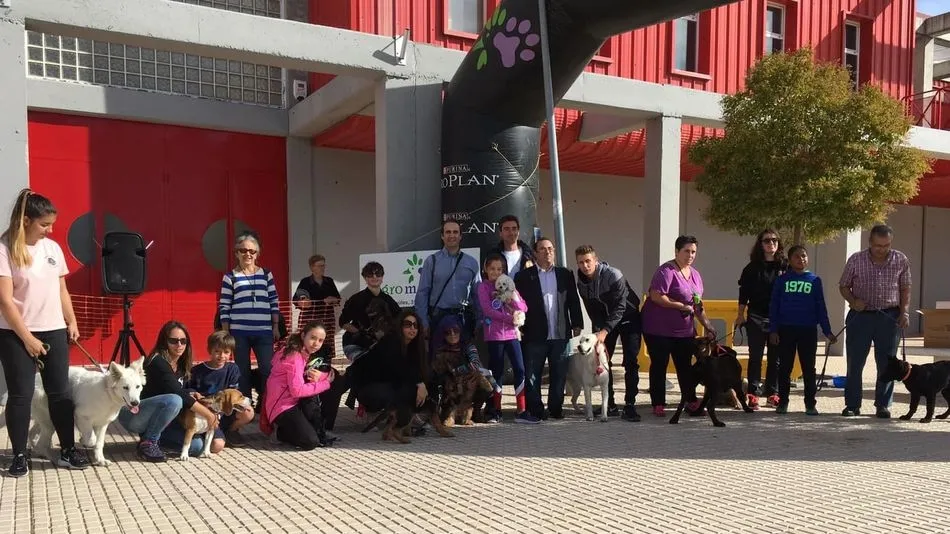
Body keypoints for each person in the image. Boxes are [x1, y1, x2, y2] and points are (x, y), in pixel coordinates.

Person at [0, 189, 90, 476]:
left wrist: (71, 320)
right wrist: (28, 339)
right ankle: (18, 455)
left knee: (60, 393)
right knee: (21, 395)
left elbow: (61, 288)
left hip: (53, 330)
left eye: (51, 224)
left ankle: (67, 450)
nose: (50, 230)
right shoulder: (4, 249)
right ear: (26, 220)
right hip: (15, 334)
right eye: (44, 224)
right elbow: (4, 300)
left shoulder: (52, 249)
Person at [839, 224, 912, 418]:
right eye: (878, 245)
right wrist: (853, 301)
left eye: (886, 245)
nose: (882, 249)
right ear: (870, 242)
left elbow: (905, 288)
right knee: (855, 363)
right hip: (860, 317)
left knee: (887, 364)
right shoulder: (856, 259)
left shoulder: (900, 259)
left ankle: (883, 405)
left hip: (889, 317)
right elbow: (843, 285)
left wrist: (904, 312)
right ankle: (852, 405)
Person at [641, 236, 717, 417]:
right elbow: (656, 296)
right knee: (660, 365)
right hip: (658, 329)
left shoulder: (696, 275)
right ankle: (658, 403)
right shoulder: (666, 271)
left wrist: (707, 324)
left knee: (684, 366)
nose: (690, 255)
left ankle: (690, 401)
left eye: (693, 252)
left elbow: (698, 305)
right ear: (676, 251)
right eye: (686, 251)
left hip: (684, 331)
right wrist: (681, 306)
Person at [348, 310, 451, 442]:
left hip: (390, 383)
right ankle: (396, 426)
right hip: (369, 387)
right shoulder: (391, 341)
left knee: (430, 383)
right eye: (407, 325)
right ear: (400, 326)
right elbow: (398, 368)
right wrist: (419, 384)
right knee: (408, 390)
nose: (412, 328)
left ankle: (424, 423)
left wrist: (424, 384)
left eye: (415, 325)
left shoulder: (415, 346)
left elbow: (416, 369)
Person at [515, 237, 584, 420]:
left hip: (560, 333)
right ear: (535, 253)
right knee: (532, 375)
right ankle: (536, 410)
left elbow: (573, 301)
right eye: (543, 249)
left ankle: (555, 409)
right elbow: (517, 304)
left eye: (551, 249)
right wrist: (519, 326)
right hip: (534, 334)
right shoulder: (523, 277)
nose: (548, 252)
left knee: (559, 374)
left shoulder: (565, 274)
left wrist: (577, 324)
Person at [132, 321, 223, 459]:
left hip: (169, 417)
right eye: (173, 341)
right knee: (196, 445)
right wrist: (210, 416)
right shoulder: (158, 362)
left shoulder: (180, 363)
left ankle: (160, 441)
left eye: (183, 341)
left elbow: (178, 390)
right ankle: (149, 441)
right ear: (164, 342)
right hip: (144, 417)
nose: (179, 345)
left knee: (206, 444)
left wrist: (191, 393)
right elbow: (176, 393)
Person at [575, 245, 642, 422]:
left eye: (588, 261)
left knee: (630, 361)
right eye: (581, 262)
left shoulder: (614, 275)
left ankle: (630, 405)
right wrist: (599, 330)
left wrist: (605, 331)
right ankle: (609, 405)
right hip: (606, 323)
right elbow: (591, 308)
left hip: (629, 316)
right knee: (604, 361)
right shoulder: (581, 281)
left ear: (596, 260)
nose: (585, 265)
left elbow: (620, 307)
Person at [769, 245, 837, 415]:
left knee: (809, 368)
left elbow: (821, 307)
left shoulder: (814, 280)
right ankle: (783, 402)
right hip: (786, 329)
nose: (801, 259)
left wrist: (827, 331)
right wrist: (773, 330)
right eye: (797, 257)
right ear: (790, 260)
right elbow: (774, 307)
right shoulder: (781, 280)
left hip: (808, 330)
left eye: (804, 256)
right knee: (785, 368)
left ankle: (810, 404)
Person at [218, 231, 280, 402]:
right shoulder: (230, 277)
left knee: (267, 370)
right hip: (239, 333)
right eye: (244, 250)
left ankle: (268, 404)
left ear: (257, 253)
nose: (248, 254)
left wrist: (275, 326)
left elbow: (274, 301)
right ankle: (245, 405)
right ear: (237, 253)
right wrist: (226, 333)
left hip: (264, 332)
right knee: (242, 371)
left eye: (252, 251)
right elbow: (224, 306)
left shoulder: (266, 274)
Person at [476, 253, 537, 424]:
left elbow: (523, 307)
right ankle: (495, 410)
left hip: (512, 335)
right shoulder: (483, 287)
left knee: (520, 369)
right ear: (486, 270)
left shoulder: (510, 286)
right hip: (494, 335)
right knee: (497, 372)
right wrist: (509, 319)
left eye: (499, 269)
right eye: (492, 269)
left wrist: (512, 299)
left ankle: (522, 410)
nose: (496, 272)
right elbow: (488, 310)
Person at [263, 322, 337, 450]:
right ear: (303, 336)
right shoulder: (295, 356)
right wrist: (325, 383)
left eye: (320, 340)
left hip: (291, 402)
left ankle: (320, 430)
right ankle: (280, 433)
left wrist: (321, 378)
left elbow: (299, 377)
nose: (316, 344)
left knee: (332, 383)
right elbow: (297, 391)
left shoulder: (298, 350)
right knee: (310, 442)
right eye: (313, 338)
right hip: (281, 407)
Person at [734, 229, 786, 409]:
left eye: (774, 240)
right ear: (760, 244)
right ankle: (753, 393)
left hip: (779, 318)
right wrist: (740, 315)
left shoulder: (785, 267)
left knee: (775, 358)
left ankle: (773, 393)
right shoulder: (751, 268)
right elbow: (743, 294)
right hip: (756, 316)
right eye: (766, 241)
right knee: (755, 356)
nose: (771, 243)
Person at [414, 219, 481, 345]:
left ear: (460, 236)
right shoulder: (431, 261)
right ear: (442, 236)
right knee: (437, 360)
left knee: (463, 360)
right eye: (448, 232)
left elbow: (477, 294)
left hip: (463, 319)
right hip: (438, 318)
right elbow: (422, 293)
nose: (452, 235)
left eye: (455, 232)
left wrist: (480, 321)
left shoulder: (471, 262)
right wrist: (423, 322)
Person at [187, 330, 255, 447]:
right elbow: (189, 389)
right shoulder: (197, 370)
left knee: (248, 412)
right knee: (217, 446)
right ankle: (202, 433)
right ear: (210, 350)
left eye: (226, 352)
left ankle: (230, 432)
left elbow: (234, 395)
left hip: (225, 411)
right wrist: (195, 394)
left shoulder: (233, 369)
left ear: (231, 353)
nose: (221, 356)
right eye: (217, 351)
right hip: (205, 413)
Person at [338, 261, 401, 361]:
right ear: (365, 278)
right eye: (370, 274)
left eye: (378, 274)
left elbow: (399, 318)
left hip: (380, 345)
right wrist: (360, 332)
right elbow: (342, 322)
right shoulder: (356, 299)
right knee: (366, 363)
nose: (374, 277)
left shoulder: (388, 300)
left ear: (382, 277)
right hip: (355, 344)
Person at [293, 254, 341, 361]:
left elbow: (338, 298)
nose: (322, 268)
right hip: (310, 319)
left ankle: (326, 368)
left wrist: (331, 299)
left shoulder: (329, 281)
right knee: (309, 344)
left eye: (323, 266)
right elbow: (296, 300)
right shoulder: (305, 282)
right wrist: (304, 302)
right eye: (319, 266)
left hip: (327, 319)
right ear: (312, 267)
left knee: (326, 343)